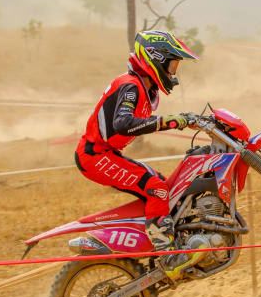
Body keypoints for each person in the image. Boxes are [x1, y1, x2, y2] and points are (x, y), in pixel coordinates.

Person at [75, 30, 200, 277]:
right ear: (155, 59)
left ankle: (157, 241)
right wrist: (170, 121)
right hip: (94, 155)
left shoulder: (143, 86)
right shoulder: (131, 86)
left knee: (163, 185)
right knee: (157, 189)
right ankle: (167, 257)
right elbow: (123, 123)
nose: (173, 73)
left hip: (106, 153)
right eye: (172, 65)